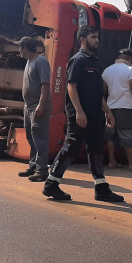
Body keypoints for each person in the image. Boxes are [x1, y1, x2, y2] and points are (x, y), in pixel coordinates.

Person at [43, 27, 122, 202]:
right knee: (70, 149)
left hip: (95, 115)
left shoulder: (95, 61)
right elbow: (71, 86)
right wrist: (79, 111)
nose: (97, 40)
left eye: (98, 37)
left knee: (95, 151)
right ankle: (51, 184)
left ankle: (101, 188)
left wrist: (107, 111)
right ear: (82, 40)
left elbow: (97, 92)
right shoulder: (78, 60)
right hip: (79, 115)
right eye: (93, 37)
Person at [102, 48, 132, 171]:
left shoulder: (107, 70)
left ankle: (112, 162)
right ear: (129, 59)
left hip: (109, 108)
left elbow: (104, 91)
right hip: (124, 108)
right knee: (126, 135)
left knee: (110, 136)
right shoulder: (130, 70)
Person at [17, 37, 51, 182]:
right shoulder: (29, 62)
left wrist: (41, 104)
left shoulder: (41, 61)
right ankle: (33, 166)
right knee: (31, 137)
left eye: (20, 48)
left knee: (40, 138)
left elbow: (45, 84)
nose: (19, 51)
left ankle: (42, 170)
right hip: (28, 106)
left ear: (25, 48)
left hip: (37, 105)